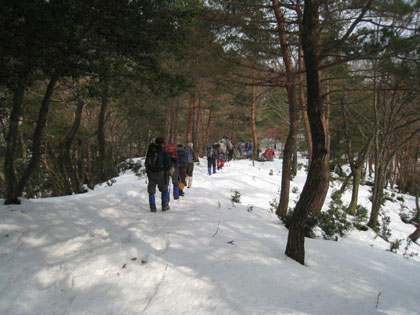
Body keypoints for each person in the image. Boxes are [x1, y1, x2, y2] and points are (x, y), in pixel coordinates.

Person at [145, 137, 171, 212]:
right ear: (162, 143)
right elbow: (168, 163)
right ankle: (164, 205)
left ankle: (152, 207)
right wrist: (167, 171)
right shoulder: (163, 151)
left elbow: (146, 162)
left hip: (151, 173)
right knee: (164, 189)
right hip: (161, 173)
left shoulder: (150, 151)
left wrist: (148, 171)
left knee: (151, 190)